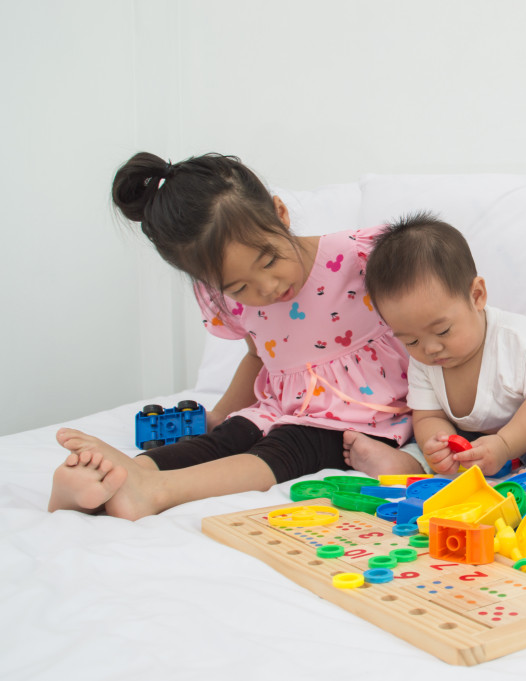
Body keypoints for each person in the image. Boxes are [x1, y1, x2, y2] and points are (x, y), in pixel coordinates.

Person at [48, 152, 423, 520]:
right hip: (281, 407)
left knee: (288, 446)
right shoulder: (223, 297)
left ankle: (157, 491)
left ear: (280, 214)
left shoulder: (363, 256)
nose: (268, 288)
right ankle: (119, 476)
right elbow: (258, 357)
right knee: (229, 437)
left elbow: (435, 315)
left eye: (269, 261)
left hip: (360, 414)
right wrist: (221, 415)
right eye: (240, 286)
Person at [364, 213, 526, 477]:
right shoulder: (424, 363)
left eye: (443, 331)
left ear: (477, 296)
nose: (430, 349)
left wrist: (505, 445)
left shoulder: (518, 341)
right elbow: (428, 417)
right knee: (433, 442)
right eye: (411, 341)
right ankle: (412, 462)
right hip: (495, 427)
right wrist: (441, 447)